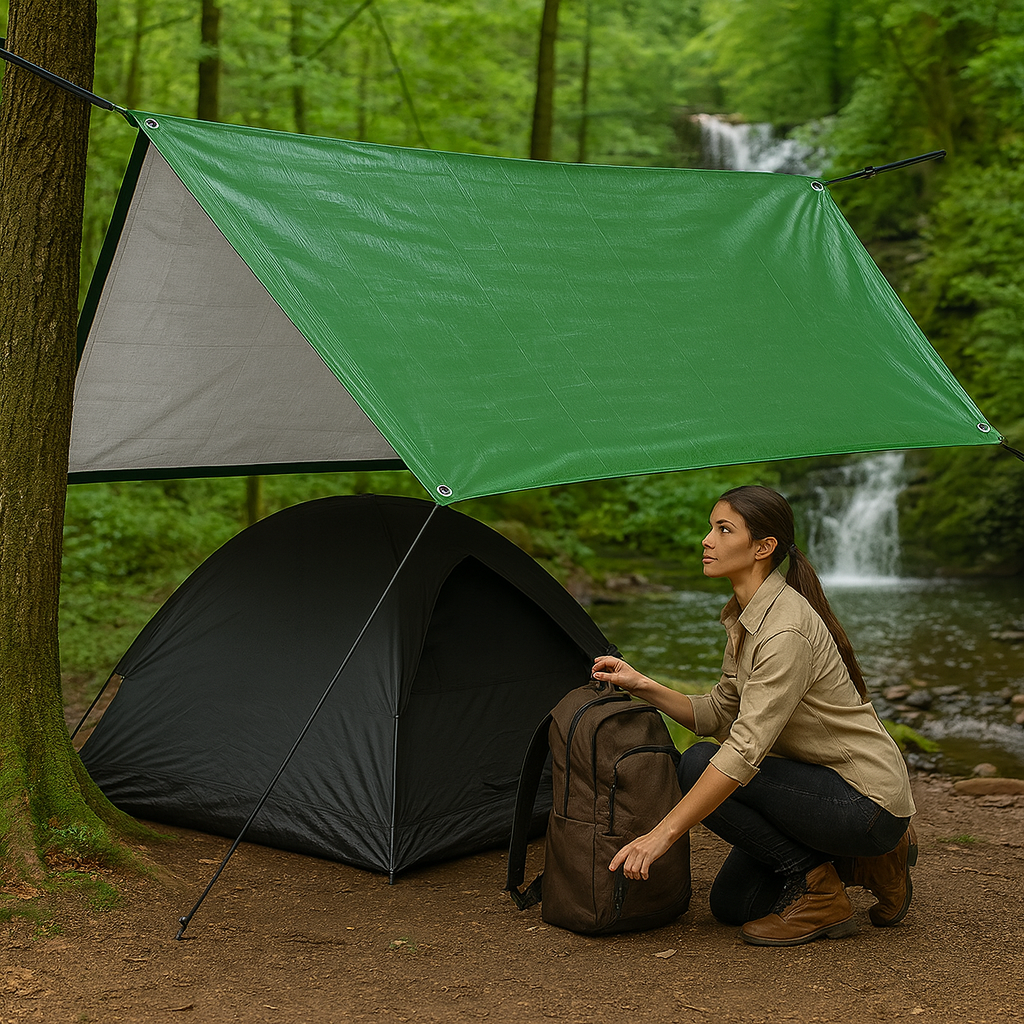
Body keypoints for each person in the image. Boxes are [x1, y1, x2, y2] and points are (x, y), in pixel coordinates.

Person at [591, 485, 917, 947]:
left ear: (763, 548)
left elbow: (742, 750)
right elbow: (719, 711)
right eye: (711, 527)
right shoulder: (745, 615)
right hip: (813, 787)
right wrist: (641, 684)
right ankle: (866, 862)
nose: (707, 540)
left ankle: (826, 890)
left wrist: (661, 835)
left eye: (724, 529)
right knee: (733, 906)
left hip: (864, 801)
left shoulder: (784, 629)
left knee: (699, 762)